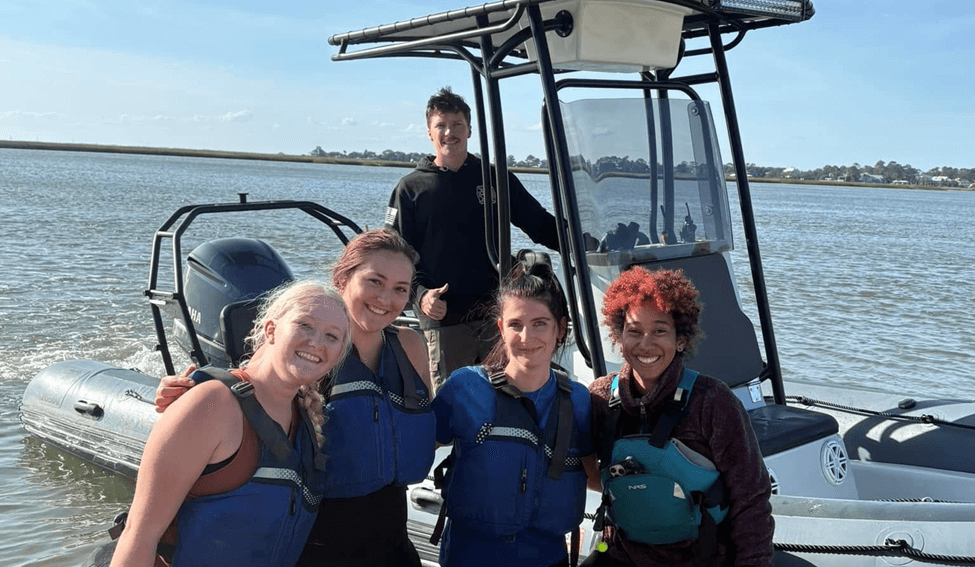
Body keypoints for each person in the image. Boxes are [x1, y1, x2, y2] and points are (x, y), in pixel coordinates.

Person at [155, 229, 436, 567]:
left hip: (394, 547)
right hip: (316, 550)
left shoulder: (409, 346)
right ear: (342, 279)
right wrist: (184, 396)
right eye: (374, 281)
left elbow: (417, 430)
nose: (385, 298)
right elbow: (247, 394)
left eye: (400, 289)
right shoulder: (312, 353)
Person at [112, 280, 352, 567]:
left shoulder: (306, 421)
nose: (316, 342)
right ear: (271, 330)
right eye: (305, 326)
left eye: (332, 337)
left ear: (339, 353)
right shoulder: (213, 405)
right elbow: (139, 536)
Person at [585, 267, 773, 567]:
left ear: (681, 339)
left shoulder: (712, 401)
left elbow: (751, 499)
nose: (645, 344)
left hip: (701, 557)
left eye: (659, 331)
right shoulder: (599, 397)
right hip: (624, 553)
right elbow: (574, 465)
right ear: (619, 336)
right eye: (634, 331)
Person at [385, 86, 561, 388]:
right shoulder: (411, 189)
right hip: (444, 322)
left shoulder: (495, 179)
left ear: (469, 129)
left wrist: (589, 244)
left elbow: (541, 225)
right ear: (429, 132)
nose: (449, 133)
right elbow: (394, 256)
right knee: (455, 404)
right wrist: (421, 295)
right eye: (441, 125)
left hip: (499, 315)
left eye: (456, 125)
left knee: (507, 396)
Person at [432, 251, 596, 567]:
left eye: (540, 324)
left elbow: (592, 474)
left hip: (547, 560)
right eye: (515, 324)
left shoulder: (578, 401)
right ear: (501, 328)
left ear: (560, 328)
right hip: (470, 558)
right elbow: (417, 449)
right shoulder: (464, 387)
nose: (527, 337)